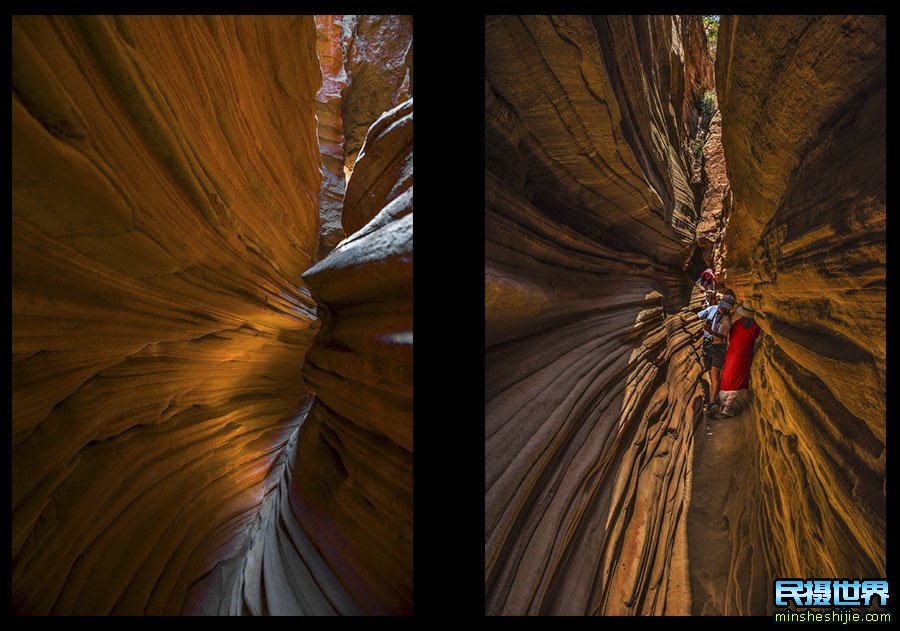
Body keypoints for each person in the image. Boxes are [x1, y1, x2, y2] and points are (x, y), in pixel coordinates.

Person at [715, 301, 761, 417]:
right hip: (743, 355)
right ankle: (727, 408)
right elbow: (756, 337)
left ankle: (722, 406)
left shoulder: (737, 324)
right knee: (736, 380)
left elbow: (731, 337)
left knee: (727, 377)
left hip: (731, 353)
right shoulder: (755, 326)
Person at [697, 293, 735, 415]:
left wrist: (709, 331)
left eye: (726, 308)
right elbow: (699, 315)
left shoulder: (727, 320)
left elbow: (722, 338)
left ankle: (713, 403)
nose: (723, 309)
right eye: (723, 306)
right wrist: (686, 319)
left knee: (715, 374)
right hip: (707, 347)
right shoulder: (713, 309)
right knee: (711, 374)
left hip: (719, 348)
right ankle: (714, 397)